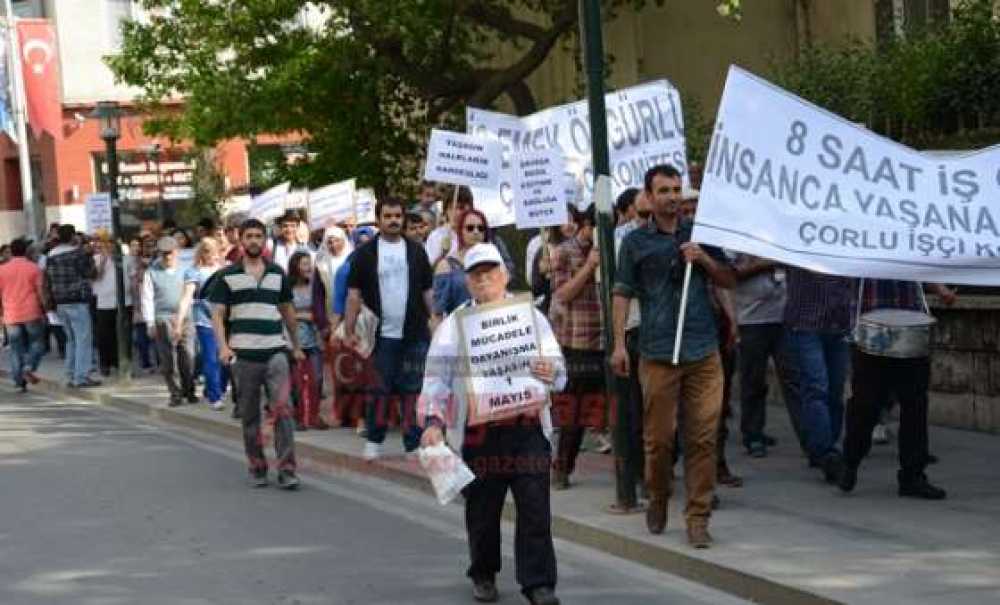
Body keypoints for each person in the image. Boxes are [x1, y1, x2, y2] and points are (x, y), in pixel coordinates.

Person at [419, 242, 565, 605]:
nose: (484, 280)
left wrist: (553, 371)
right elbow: (435, 377)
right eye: (477, 274)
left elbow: (557, 368)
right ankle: (483, 572)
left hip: (527, 427)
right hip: (480, 432)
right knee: (482, 512)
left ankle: (539, 583)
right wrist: (433, 420)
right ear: (467, 282)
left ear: (504, 275)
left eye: (491, 272)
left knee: (535, 508)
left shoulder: (530, 317)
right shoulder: (454, 327)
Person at [610, 164, 736, 548]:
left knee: (702, 438)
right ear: (648, 197)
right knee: (659, 441)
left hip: (702, 351)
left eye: (677, 189)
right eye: (663, 190)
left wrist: (704, 260)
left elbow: (729, 279)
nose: (672, 197)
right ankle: (659, 495)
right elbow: (621, 291)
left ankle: (698, 517)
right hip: (659, 352)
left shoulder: (700, 235)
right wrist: (618, 343)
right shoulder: (635, 243)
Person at [210, 218, 305, 489]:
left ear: (264, 240)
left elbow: (288, 310)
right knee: (250, 416)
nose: (254, 241)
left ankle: (287, 469)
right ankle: (258, 466)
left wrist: (296, 346)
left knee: (283, 411)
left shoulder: (277, 273)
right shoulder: (227, 276)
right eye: (249, 236)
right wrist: (223, 347)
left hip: (276, 352)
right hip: (245, 356)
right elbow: (217, 314)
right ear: (241, 240)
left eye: (258, 236)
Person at [839, 280, 954, 499]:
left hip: (911, 329)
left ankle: (913, 475)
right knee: (866, 404)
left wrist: (940, 289)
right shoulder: (862, 245)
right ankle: (850, 460)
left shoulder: (911, 244)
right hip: (871, 329)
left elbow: (923, 263)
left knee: (915, 405)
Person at [344, 196, 433, 460]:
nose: (394, 220)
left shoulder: (417, 251)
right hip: (381, 335)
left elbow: (428, 290)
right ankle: (374, 439)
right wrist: (349, 330)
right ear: (379, 220)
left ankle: (413, 443)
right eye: (388, 216)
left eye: (398, 216)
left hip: (414, 332)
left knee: (413, 389)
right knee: (379, 390)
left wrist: (436, 320)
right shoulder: (365, 253)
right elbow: (353, 294)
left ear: (403, 218)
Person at [549, 204, 605, 490]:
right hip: (579, 343)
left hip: (609, 339)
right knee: (575, 413)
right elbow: (562, 294)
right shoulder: (564, 252)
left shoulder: (614, 248)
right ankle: (562, 466)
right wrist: (589, 267)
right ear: (587, 225)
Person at [783, 267, 854, 484]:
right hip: (806, 323)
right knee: (816, 387)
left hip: (838, 323)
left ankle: (825, 449)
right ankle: (826, 453)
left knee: (835, 391)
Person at [732, 254, 802, 457]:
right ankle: (753, 435)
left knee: (794, 380)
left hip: (783, 317)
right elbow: (730, 274)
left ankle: (813, 443)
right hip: (751, 320)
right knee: (753, 381)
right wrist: (766, 263)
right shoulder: (738, 239)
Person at [45, 225, 101, 388]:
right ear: (72, 237)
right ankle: (81, 376)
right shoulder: (78, 254)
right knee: (83, 339)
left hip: (60, 301)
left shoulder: (51, 255)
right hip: (77, 299)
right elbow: (91, 273)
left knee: (71, 340)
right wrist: (89, 256)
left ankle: (70, 374)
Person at [143, 236, 196, 407]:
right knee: (168, 359)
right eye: (164, 253)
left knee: (188, 355)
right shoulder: (151, 272)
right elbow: (147, 298)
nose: (167, 257)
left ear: (177, 252)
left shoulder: (186, 269)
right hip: (163, 318)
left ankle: (189, 389)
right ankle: (175, 393)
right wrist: (150, 322)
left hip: (185, 317)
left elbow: (190, 294)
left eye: (170, 253)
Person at [175, 238, 226, 410]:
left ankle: (213, 388)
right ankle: (215, 396)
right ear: (201, 253)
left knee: (224, 359)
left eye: (214, 251)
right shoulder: (194, 272)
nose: (211, 255)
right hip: (204, 320)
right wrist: (179, 322)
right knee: (211, 358)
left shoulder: (223, 270)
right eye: (207, 251)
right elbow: (186, 298)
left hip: (224, 320)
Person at [287, 250, 330, 430]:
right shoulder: (287, 287)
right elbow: (283, 311)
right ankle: (298, 417)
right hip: (294, 338)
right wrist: (303, 315)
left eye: (309, 263)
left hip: (314, 338)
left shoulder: (315, 284)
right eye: (304, 263)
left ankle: (314, 415)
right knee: (297, 381)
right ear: (296, 266)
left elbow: (320, 308)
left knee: (317, 378)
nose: (309, 267)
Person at [0, 238, 46, 392]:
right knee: (38, 343)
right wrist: (45, 308)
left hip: (11, 313)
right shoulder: (33, 268)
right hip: (31, 311)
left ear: (11, 252)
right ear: (26, 251)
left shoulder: (2, 270)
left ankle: (19, 381)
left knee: (15, 348)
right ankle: (29, 365)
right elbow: (40, 292)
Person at [432, 208, 489, 319]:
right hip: (459, 330)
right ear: (460, 231)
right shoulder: (446, 265)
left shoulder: (494, 262)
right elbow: (437, 313)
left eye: (481, 228)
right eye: (470, 228)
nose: (476, 232)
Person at [91, 235, 126, 376]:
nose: (109, 247)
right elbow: (95, 276)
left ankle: (118, 362)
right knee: (104, 335)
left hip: (121, 301)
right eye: (107, 244)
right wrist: (104, 259)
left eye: (112, 245)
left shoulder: (122, 259)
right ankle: (105, 363)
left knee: (120, 334)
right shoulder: (96, 259)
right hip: (103, 302)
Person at [425, 186, 473, 268]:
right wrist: (443, 254)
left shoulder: (478, 233)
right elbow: (428, 270)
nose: (457, 212)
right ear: (445, 211)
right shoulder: (436, 236)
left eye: (461, 208)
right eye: (452, 208)